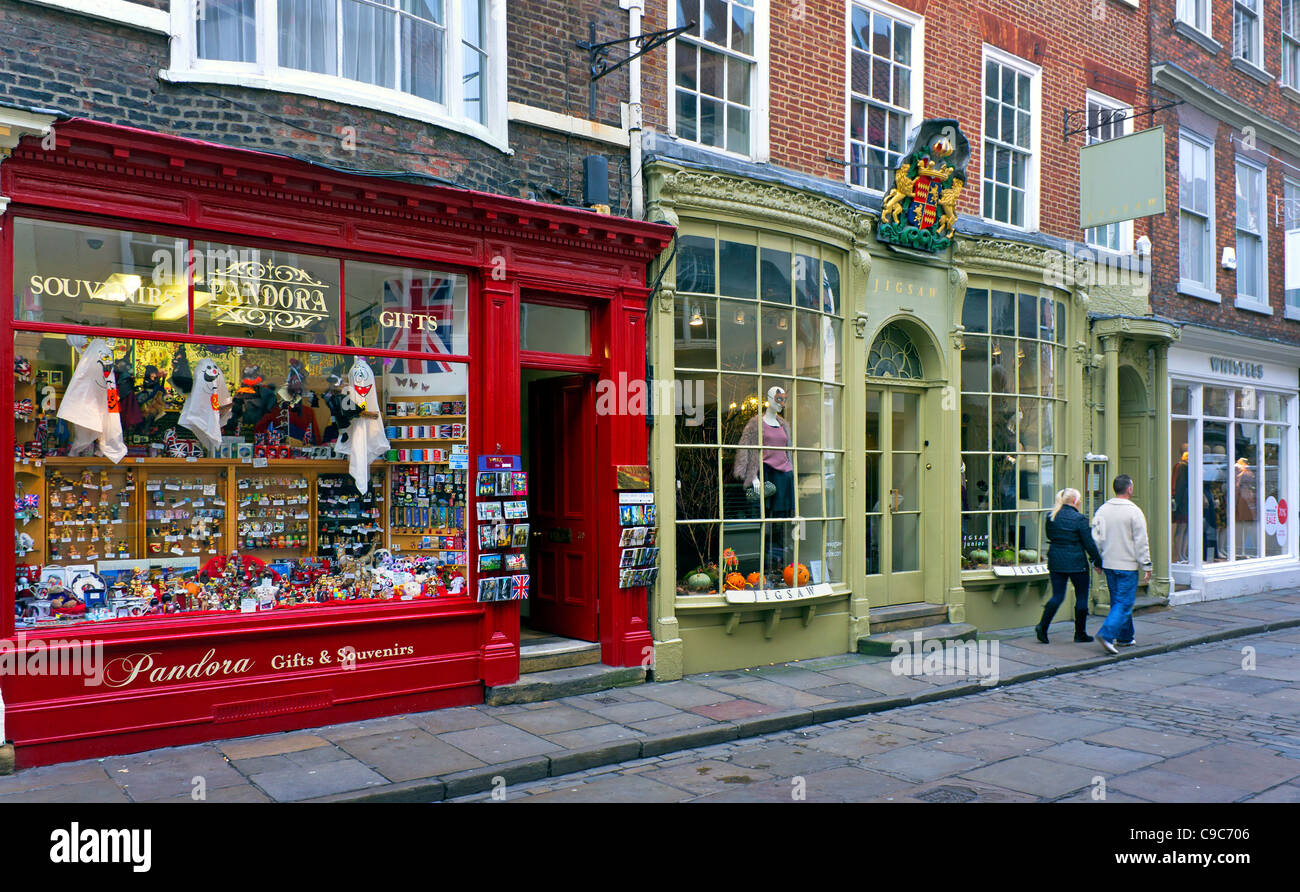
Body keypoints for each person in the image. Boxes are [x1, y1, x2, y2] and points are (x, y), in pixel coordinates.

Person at [1091, 474, 1152, 654]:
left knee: (1117, 601)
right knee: (1124, 603)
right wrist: (1146, 565)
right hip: (1127, 565)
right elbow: (1141, 542)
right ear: (1130, 489)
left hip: (1109, 563)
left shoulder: (1102, 510)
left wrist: (1097, 560)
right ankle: (1106, 634)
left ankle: (1125, 637)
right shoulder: (1134, 511)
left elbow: (1096, 539)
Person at [1035, 488, 1103, 644]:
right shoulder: (1079, 519)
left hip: (1056, 561)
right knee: (1081, 598)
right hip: (1077, 562)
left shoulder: (1051, 517)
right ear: (1075, 501)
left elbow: (1050, 536)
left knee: (1057, 596)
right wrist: (1098, 561)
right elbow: (1089, 544)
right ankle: (1080, 634)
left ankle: (1042, 627)